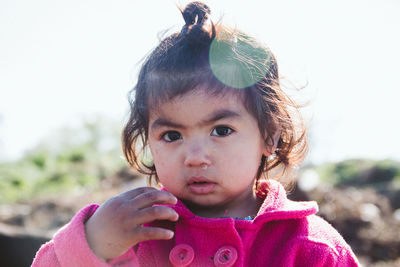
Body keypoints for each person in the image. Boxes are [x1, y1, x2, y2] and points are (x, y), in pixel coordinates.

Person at [32, 2, 360, 266]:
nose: (195, 157)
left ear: (269, 134)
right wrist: (92, 243)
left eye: (221, 130)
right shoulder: (135, 236)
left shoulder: (310, 247)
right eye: (172, 136)